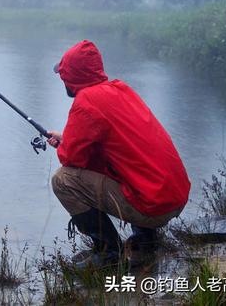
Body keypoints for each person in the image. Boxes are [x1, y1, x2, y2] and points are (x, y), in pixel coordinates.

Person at [48, 40, 190, 268]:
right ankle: (145, 240)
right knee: (129, 165)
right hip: (175, 198)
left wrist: (64, 146)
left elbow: (71, 160)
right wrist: (68, 139)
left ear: (71, 75)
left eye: (63, 73)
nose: (62, 78)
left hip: (154, 209)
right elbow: (115, 146)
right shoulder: (120, 89)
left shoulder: (86, 102)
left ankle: (108, 253)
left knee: (63, 180)